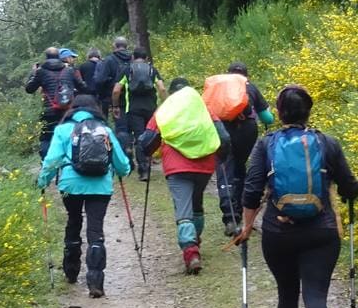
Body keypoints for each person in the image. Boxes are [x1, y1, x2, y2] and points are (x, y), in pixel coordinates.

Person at [234, 85, 358, 308]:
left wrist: (247, 227)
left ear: (278, 113)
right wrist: (345, 195)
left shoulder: (266, 145)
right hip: (321, 231)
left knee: (286, 292)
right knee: (315, 294)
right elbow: (350, 187)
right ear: (309, 111)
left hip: (279, 233)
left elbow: (251, 191)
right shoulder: (326, 142)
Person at [37, 94, 132, 297]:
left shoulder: (63, 130)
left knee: (73, 220)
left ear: (73, 109)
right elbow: (122, 163)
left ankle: (71, 270)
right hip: (100, 186)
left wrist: (43, 180)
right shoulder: (104, 130)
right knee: (95, 230)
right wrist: (124, 171)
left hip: (71, 185)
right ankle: (96, 281)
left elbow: (52, 160)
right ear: (95, 109)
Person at [143, 78, 222, 275]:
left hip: (176, 166)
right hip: (204, 164)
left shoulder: (165, 111)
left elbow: (147, 142)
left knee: (183, 208)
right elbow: (224, 136)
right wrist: (223, 157)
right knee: (197, 204)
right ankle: (195, 239)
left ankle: (191, 251)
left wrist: (147, 155)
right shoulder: (204, 109)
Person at [216, 61, 275, 237]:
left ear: (228, 73)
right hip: (247, 131)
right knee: (240, 168)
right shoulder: (251, 87)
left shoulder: (219, 87)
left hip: (222, 129)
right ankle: (239, 214)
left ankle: (229, 217)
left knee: (225, 169)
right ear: (246, 75)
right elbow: (267, 118)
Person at [24, 46, 85, 158]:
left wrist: (33, 73)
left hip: (49, 112)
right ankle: (71, 160)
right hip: (68, 111)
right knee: (70, 136)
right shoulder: (69, 70)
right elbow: (83, 87)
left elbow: (29, 89)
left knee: (46, 138)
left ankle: (46, 163)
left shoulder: (41, 72)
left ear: (46, 57)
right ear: (59, 56)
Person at [112, 48, 161, 182]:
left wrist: (115, 106)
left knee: (140, 137)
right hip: (151, 109)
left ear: (133, 57)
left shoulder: (127, 70)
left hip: (133, 109)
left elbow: (116, 91)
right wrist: (165, 104)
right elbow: (161, 88)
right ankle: (148, 163)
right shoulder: (152, 70)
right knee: (150, 136)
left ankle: (143, 169)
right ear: (146, 58)